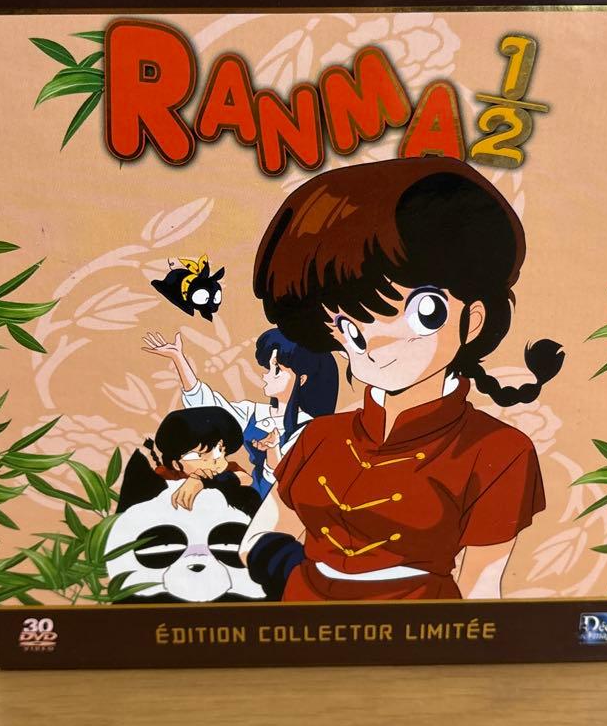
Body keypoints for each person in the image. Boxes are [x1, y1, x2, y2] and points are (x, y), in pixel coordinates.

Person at [240, 156, 564, 601]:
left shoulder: (498, 451)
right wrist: (282, 570)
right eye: (351, 325)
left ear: (473, 320)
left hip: (419, 628)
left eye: (423, 312)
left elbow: (481, 586)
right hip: (304, 617)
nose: (377, 342)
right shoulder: (320, 437)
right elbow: (262, 535)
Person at [142, 327, 338, 498]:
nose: (266, 375)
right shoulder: (255, 413)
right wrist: (178, 358)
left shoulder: (309, 429)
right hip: (246, 491)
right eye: (268, 367)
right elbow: (209, 408)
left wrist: (272, 450)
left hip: (274, 499)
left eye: (276, 369)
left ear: (302, 379)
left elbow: (287, 477)